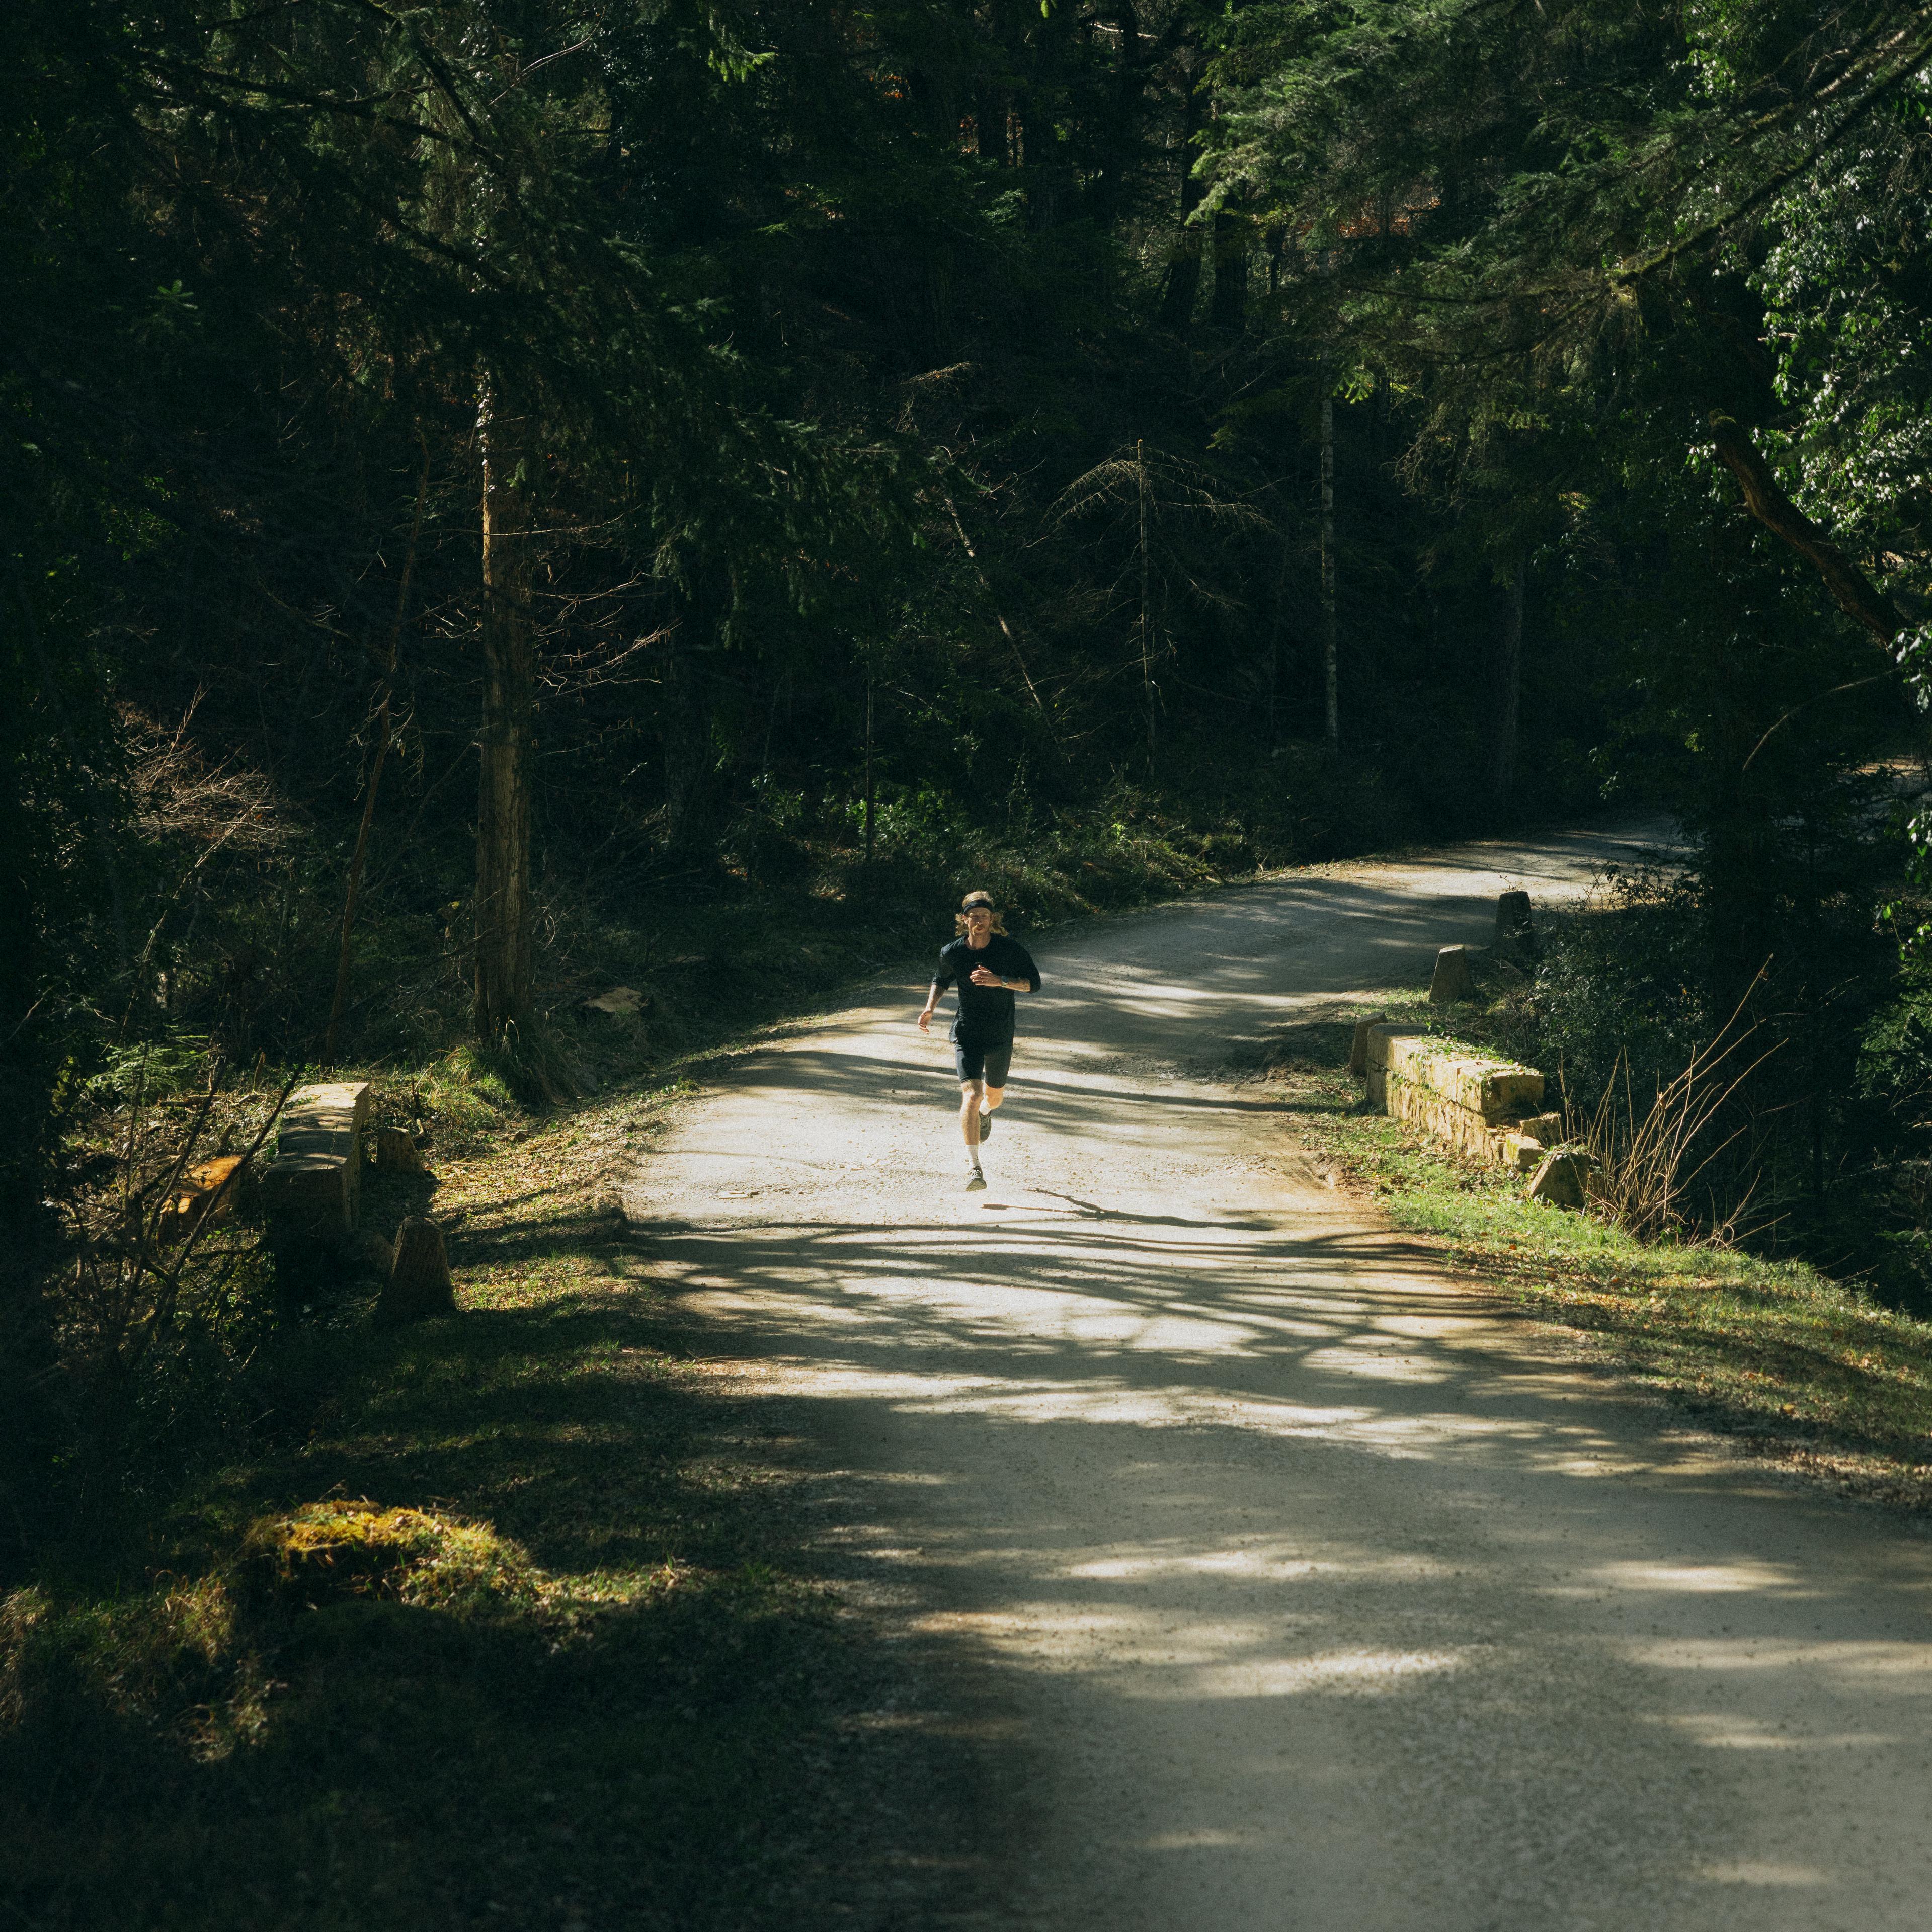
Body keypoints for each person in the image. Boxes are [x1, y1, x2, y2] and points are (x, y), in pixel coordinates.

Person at [917, 889, 1041, 1191]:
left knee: (993, 1098)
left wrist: (1001, 981)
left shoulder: (1009, 950)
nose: (979, 921)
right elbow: (941, 978)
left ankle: (987, 1113)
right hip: (967, 1032)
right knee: (970, 1097)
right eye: (973, 916)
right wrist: (929, 1008)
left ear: (992, 919)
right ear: (965, 920)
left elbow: (1034, 984)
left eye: (984, 916)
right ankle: (974, 1168)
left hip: (1000, 1033)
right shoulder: (953, 952)